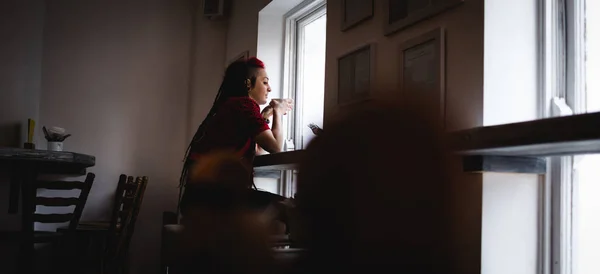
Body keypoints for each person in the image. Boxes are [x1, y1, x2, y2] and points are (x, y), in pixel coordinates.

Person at [178, 57, 291, 212]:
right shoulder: (245, 105)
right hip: (217, 198)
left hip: (199, 197)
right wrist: (278, 111)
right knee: (287, 206)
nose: (269, 88)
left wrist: (264, 116)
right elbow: (275, 147)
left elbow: (257, 150)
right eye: (264, 82)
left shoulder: (232, 105)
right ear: (248, 84)